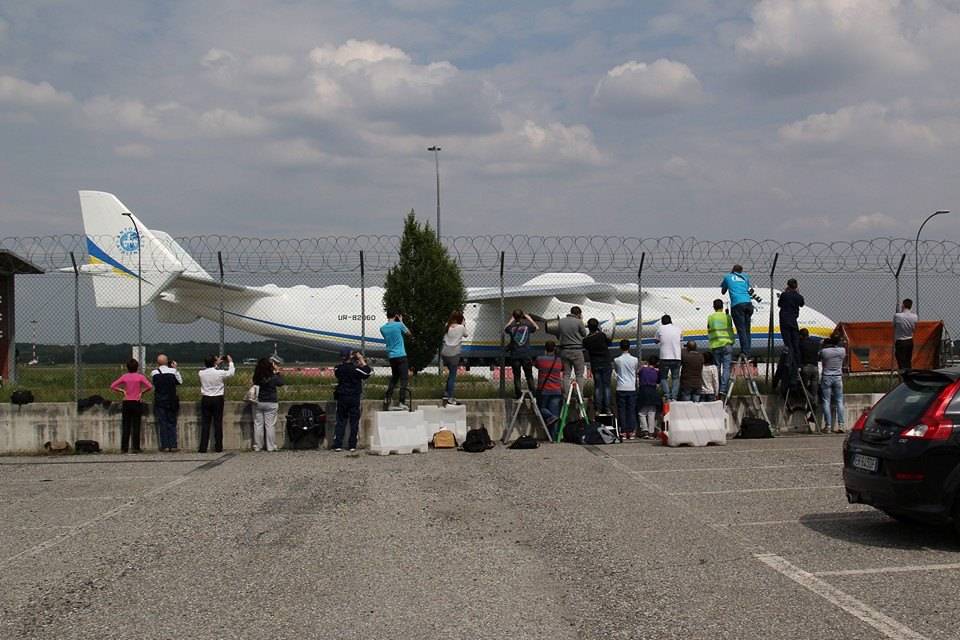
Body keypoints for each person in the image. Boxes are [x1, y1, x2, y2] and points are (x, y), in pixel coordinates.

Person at [333, 348, 372, 452]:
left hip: (342, 397)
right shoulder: (355, 369)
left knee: (341, 420)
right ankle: (352, 445)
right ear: (350, 357)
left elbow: (338, 371)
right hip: (354, 397)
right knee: (354, 421)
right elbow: (367, 373)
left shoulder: (338, 369)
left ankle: (338, 444)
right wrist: (361, 359)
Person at [110, 358, 152, 453]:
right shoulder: (140, 377)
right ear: (137, 367)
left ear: (127, 368)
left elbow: (112, 385)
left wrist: (122, 390)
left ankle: (124, 448)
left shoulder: (124, 377)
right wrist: (142, 392)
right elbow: (150, 386)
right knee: (136, 425)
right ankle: (136, 447)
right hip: (136, 401)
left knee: (126, 425)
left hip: (127, 402)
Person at [198, 354, 234, 453]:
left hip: (206, 398)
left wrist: (215, 363)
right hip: (217, 398)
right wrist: (230, 362)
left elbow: (208, 369)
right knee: (217, 423)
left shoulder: (201, 373)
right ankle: (218, 447)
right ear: (214, 362)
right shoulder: (219, 373)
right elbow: (231, 373)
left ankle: (203, 447)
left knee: (205, 423)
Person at [553, 306, 588, 397]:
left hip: (564, 350)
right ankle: (579, 394)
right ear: (579, 314)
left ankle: (566, 394)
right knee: (579, 374)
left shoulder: (561, 321)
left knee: (566, 374)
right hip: (577, 350)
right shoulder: (579, 322)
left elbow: (558, 335)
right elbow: (584, 334)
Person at [504, 309, 539, 399]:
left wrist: (511, 320)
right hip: (526, 354)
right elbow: (536, 327)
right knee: (529, 375)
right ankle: (533, 393)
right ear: (522, 316)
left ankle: (518, 394)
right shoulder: (527, 326)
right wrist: (530, 319)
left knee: (517, 376)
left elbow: (505, 328)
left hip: (515, 354)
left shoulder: (511, 328)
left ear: (514, 316)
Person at [252, 357, 285, 451]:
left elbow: (255, 382)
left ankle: (258, 446)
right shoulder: (273, 377)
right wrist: (277, 372)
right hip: (271, 402)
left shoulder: (257, 376)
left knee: (258, 425)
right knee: (270, 425)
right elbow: (281, 383)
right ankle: (271, 446)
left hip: (259, 401)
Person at [380, 311, 411, 409]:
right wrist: (401, 321)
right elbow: (409, 333)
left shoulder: (383, 329)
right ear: (396, 316)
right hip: (401, 355)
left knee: (394, 378)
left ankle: (387, 398)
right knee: (404, 379)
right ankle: (402, 401)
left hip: (392, 356)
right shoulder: (398, 325)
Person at [151, 354, 182, 452]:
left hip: (160, 400)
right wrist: (175, 369)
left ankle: (164, 445)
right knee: (172, 422)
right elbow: (180, 382)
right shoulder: (173, 371)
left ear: (157, 362)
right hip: (171, 400)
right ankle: (173, 445)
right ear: (167, 361)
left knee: (162, 423)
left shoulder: (154, 372)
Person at [721, 264, 754, 356]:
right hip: (748, 303)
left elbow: (723, 291)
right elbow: (747, 289)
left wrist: (727, 286)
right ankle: (748, 351)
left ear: (732, 270)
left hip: (737, 304)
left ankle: (744, 351)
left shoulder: (728, 277)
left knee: (741, 329)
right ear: (741, 271)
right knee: (747, 329)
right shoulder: (745, 277)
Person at [583, 318, 613, 413]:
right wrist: (599, 330)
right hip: (605, 362)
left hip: (595, 363)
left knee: (598, 386)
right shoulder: (601, 335)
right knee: (607, 386)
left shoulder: (587, 339)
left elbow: (586, 346)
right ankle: (607, 407)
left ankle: (598, 408)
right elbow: (609, 342)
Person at [706, 299, 735, 396]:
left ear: (714, 307)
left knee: (717, 368)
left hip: (716, 345)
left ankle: (717, 389)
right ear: (722, 307)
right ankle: (723, 389)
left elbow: (709, 328)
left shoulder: (711, 317)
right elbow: (730, 328)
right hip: (727, 344)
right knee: (726, 368)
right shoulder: (728, 317)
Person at [534, 341, 563, 436]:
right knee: (555, 412)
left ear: (545, 348)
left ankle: (550, 416)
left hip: (544, 390)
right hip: (557, 390)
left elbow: (536, 365)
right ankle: (553, 436)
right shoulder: (559, 360)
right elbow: (562, 368)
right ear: (554, 348)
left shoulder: (540, 359)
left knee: (540, 408)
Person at [820, 337, 847, 434]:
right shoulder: (842, 351)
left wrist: (823, 344)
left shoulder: (825, 351)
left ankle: (828, 426)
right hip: (838, 376)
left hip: (827, 376)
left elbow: (820, 355)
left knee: (826, 401)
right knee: (839, 401)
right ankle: (841, 425)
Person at [441, 311, 468, 405]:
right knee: (452, 375)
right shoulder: (461, 327)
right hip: (454, 353)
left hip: (445, 353)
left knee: (450, 374)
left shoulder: (446, 325)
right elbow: (466, 335)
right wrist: (464, 324)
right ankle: (450, 398)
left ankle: (446, 393)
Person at [778, 278, 805, 373]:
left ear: (788, 285)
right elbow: (802, 304)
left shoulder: (784, 295)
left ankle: (788, 362)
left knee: (788, 343)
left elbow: (779, 304)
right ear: (796, 286)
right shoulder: (798, 296)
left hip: (784, 320)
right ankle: (798, 363)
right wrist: (797, 293)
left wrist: (786, 292)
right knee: (795, 342)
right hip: (793, 320)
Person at [613, 339, 638, 439]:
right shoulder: (635, 360)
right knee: (631, 410)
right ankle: (631, 431)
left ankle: (623, 431)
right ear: (629, 347)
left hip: (621, 387)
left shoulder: (617, 360)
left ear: (620, 347)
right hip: (631, 387)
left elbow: (616, 370)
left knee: (621, 410)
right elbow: (635, 370)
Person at [655, 315, 682, 401]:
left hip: (664, 357)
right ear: (671, 321)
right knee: (676, 378)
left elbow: (656, 340)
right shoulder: (678, 329)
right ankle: (674, 397)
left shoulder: (660, 329)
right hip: (676, 356)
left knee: (663, 377)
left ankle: (667, 395)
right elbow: (681, 339)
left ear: (662, 322)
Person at [637, 355, 660, 438]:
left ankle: (645, 430)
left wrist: (643, 365)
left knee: (642, 413)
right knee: (652, 412)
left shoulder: (643, 370)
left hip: (644, 391)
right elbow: (658, 381)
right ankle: (651, 432)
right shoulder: (656, 371)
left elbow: (638, 373)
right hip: (653, 391)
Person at [894, 299, 918, 371]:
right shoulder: (915, 316)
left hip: (900, 341)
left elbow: (894, 326)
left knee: (901, 361)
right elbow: (914, 329)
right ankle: (909, 375)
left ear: (903, 305)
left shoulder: (897, 316)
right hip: (909, 340)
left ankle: (903, 376)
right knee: (908, 361)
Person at [798, 328, 821, 403]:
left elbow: (799, 355)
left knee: (802, 387)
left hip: (806, 367)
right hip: (815, 367)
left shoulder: (801, 344)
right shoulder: (815, 343)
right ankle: (814, 404)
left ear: (801, 336)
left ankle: (812, 400)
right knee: (814, 388)